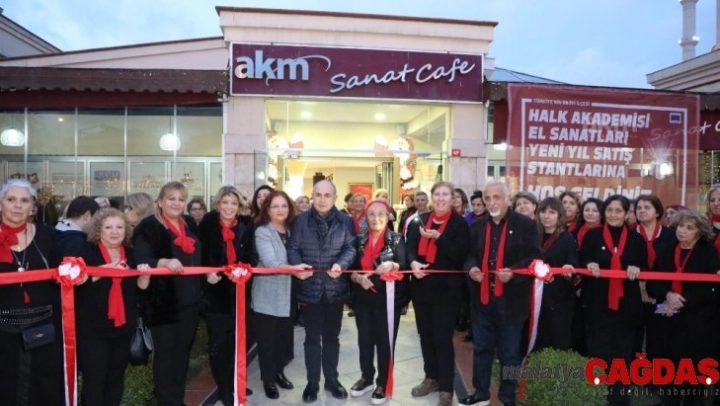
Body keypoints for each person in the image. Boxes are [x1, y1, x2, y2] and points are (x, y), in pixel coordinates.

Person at [459, 181, 541, 406]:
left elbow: (535, 257)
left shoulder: (525, 224)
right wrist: (472, 268)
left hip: (512, 301)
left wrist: (514, 273)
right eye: (488, 198)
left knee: (510, 354)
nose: (492, 202)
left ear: (507, 199)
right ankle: (481, 393)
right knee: (481, 348)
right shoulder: (477, 226)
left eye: (497, 197)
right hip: (482, 300)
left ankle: (507, 397)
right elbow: (468, 255)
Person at [132, 181, 205, 406]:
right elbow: (140, 260)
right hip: (164, 303)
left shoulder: (188, 224)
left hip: (190, 302)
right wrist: (163, 262)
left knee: (182, 354)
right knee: (165, 356)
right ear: (160, 202)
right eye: (171, 198)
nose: (176, 203)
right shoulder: (149, 226)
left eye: (181, 199)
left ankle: (177, 399)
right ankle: (166, 401)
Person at [287, 180, 357, 403]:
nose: (322, 199)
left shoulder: (346, 220)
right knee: (311, 339)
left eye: (327, 195)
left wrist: (341, 264)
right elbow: (293, 248)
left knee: (331, 338)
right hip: (310, 287)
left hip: (335, 289)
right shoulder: (299, 221)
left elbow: (351, 247)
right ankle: (312, 383)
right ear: (312, 196)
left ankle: (332, 381)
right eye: (318, 195)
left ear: (335, 198)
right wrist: (297, 266)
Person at [76, 208, 151, 406]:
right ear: (98, 230)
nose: (115, 231)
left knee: (116, 376)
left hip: (122, 327)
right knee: (94, 378)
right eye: (108, 227)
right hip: (92, 328)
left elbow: (139, 290)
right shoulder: (87, 251)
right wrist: (107, 270)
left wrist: (144, 278)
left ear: (126, 230)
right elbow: (77, 283)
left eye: (119, 227)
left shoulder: (131, 254)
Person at [0, 179, 64, 405]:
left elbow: (65, 269)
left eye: (24, 200)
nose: (17, 205)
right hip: (3, 331)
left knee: (43, 389)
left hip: (43, 329)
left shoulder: (49, 235)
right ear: (1, 204)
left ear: (32, 207)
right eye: (11, 199)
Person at [406, 181, 470, 406]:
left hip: (447, 291)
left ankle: (446, 387)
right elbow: (409, 247)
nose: (441, 198)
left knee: (442, 337)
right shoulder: (420, 220)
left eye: (445, 194)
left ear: (453, 198)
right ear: (432, 198)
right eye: (438, 194)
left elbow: (460, 254)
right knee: (425, 335)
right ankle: (431, 378)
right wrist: (413, 263)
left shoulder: (460, 224)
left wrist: (438, 238)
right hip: (422, 287)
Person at [647, 210, 720, 406]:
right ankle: (668, 400)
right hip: (667, 314)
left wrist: (683, 300)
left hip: (697, 318)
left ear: (699, 232)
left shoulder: (708, 252)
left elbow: (711, 287)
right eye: (680, 226)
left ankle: (693, 400)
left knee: (694, 363)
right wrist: (668, 295)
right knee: (667, 360)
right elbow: (652, 282)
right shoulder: (666, 250)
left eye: (689, 228)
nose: (682, 231)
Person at [580, 195, 647, 406]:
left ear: (627, 214)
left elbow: (645, 265)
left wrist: (638, 268)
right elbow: (582, 259)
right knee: (598, 354)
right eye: (609, 210)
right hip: (597, 307)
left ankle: (620, 399)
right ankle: (598, 398)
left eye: (618, 211)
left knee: (622, 355)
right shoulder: (592, 236)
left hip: (626, 308)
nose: (613, 214)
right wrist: (589, 264)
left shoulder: (636, 240)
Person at [198, 185, 257, 404]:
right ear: (217, 204)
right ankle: (224, 389)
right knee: (219, 346)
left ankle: (235, 382)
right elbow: (199, 256)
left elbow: (252, 255)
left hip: (240, 293)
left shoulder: (246, 224)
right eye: (225, 202)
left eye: (233, 203)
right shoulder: (207, 225)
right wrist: (207, 273)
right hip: (216, 296)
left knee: (238, 343)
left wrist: (243, 268)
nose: (229, 207)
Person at [253, 190, 313, 400]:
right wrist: (296, 270)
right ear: (267, 210)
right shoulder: (263, 232)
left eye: (284, 205)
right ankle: (268, 380)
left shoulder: (293, 230)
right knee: (267, 341)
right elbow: (271, 263)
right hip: (267, 295)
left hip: (289, 294)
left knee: (284, 340)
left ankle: (279, 372)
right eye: (275, 206)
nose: (280, 210)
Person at [348, 199, 408, 405]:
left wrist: (392, 264)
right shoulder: (359, 240)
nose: (376, 218)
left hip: (388, 301)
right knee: (364, 341)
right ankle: (366, 378)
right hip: (363, 299)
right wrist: (358, 278)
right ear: (366, 217)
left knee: (385, 342)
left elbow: (405, 265)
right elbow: (351, 269)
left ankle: (382, 383)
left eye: (380, 214)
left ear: (388, 216)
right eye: (371, 214)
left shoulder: (397, 239)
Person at [632, 195, 676, 358]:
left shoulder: (671, 235)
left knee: (659, 337)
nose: (642, 211)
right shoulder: (629, 234)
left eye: (647, 207)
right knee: (634, 337)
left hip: (662, 294)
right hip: (635, 293)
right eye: (639, 208)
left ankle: (657, 372)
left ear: (657, 212)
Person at [534, 197, 578, 351]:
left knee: (558, 339)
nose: (547, 216)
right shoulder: (533, 236)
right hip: (536, 296)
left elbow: (574, 263)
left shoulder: (567, 238)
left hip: (559, 298)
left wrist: (568, 268)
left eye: (552, 212)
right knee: (537, 338)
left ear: (560, 216)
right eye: (543, 212)